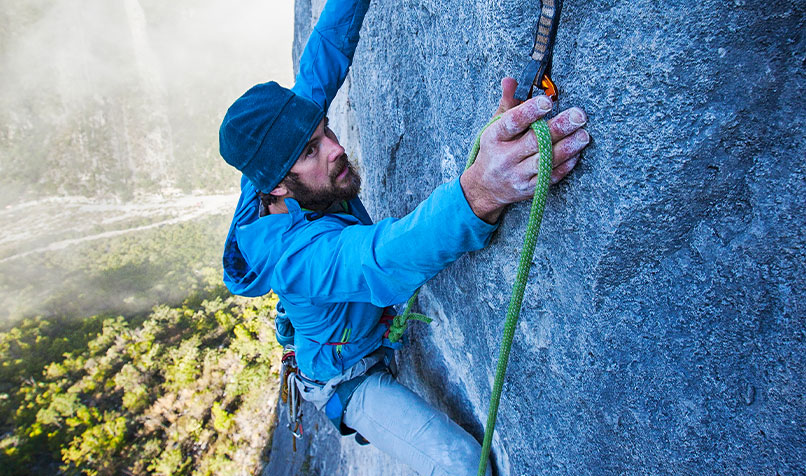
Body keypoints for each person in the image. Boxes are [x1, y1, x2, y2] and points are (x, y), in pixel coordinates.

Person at [218, 0, 590, 474]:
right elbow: (378, 260)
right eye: (312, 150)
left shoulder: (282, 152)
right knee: (463, 464)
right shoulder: (292, 260)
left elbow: (327, 48)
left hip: (358, 327)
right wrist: (481, 190)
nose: (336, 149)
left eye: (325, 129)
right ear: (275, 188)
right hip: (346, 376)